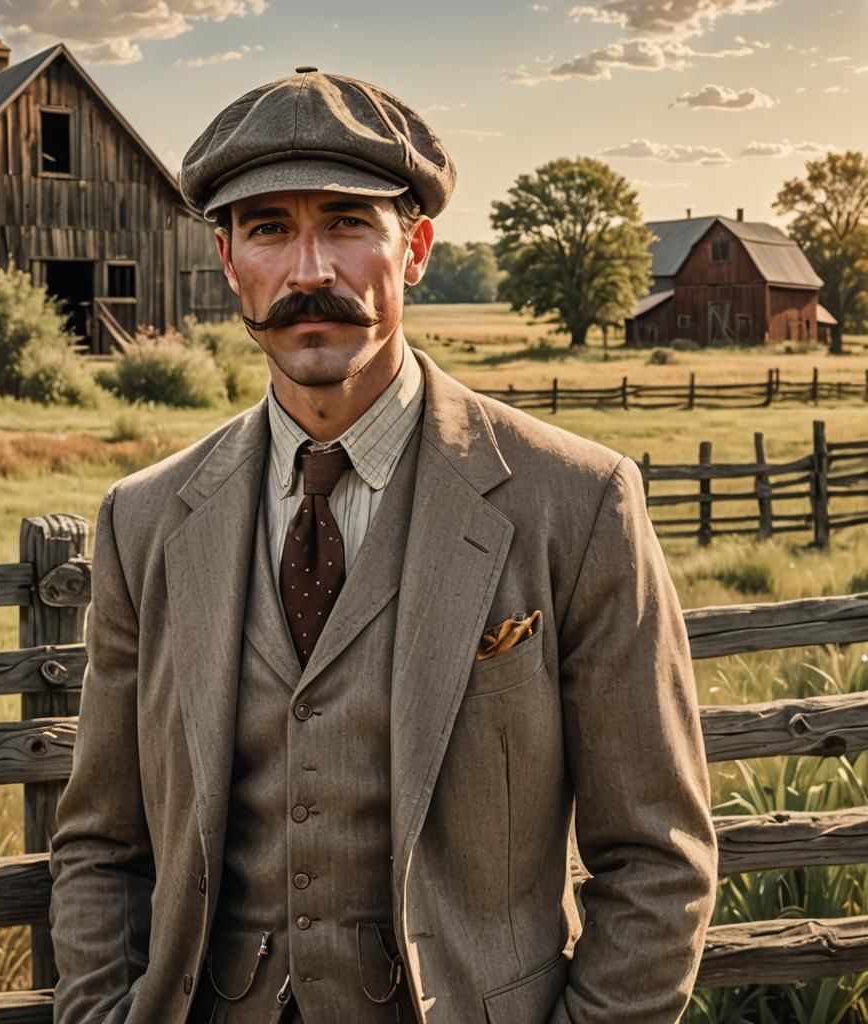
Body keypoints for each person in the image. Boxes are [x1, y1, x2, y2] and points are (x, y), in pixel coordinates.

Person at [49, 68, 717, 1024]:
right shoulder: (143, 521)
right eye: (270, 227)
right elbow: (100, 845)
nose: (309, 269)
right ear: (228, 259)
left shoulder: (576, 502)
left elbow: (658, 857)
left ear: (416, 250)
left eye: (349, 223)